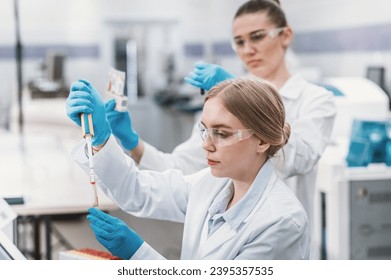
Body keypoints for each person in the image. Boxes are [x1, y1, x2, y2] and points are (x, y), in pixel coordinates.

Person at [105, 0, 336, 258]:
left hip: (275, 236)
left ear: (285, 36)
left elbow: (298, 156)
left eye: (257, 37)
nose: (247, 49)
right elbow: (182, 166)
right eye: (239, 41)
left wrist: (245, 105)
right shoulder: (221, 108)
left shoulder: (316, 99)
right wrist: (131, 141)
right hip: (226, 214)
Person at [66, 77, 310, 260]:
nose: (206, 144)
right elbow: (138, 191)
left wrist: (137, 253)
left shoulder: (281, 222)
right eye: (204, 129)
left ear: (262, 141)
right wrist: (101, 139)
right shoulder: (211, 184)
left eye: (222, 134)